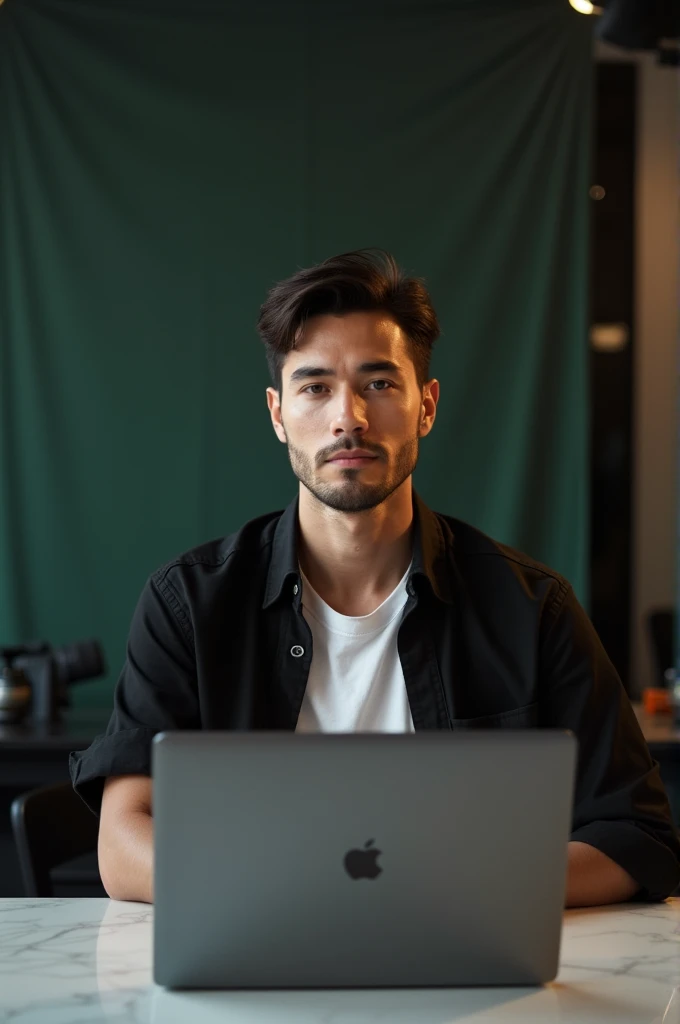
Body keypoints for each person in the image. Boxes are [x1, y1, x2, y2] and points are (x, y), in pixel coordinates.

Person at [70, 248, 680, 906]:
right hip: (253, 960)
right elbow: (123, 841)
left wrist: (450, 891)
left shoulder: (533, 608)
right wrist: (295, 895)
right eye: (315, 387)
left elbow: (637, 834)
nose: (348, 417)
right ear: (278, 413)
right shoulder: (188, 603)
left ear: (427, 405)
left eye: (380, 383)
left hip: (467, 967)